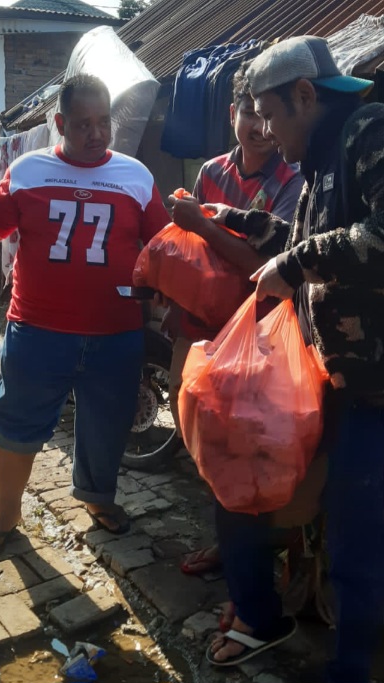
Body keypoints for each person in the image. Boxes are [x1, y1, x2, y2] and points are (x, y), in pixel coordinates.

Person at [0, 74, 170, 557]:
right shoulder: (29, 169)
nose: (96, 134)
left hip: (115, 333)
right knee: (15, 422)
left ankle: (98, 498)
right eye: (83, 124)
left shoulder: (136, 176)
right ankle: (6, 513)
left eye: (103, 123)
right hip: (37, 330)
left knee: (108, 425)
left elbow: (162, 244)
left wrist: (165, 282)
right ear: (59, 123)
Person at [200, 36, 384, 683]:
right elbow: (307, 241)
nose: (268, 132)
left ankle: (353, 669)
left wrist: (296, 261)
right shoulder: (319, 161)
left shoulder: (367, 131)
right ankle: (263, 614)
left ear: (306, 96)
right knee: (253, 487)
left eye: (271, 114)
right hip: (332, 381)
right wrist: (239, 220)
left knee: (359, 544)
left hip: (374, 392)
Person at [167, 64, 303, 575]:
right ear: (232, 115)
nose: (260, 128)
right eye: (249, 113)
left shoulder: (293, 179)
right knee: (196, 428)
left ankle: (250, 551)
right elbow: (189, 252)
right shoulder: (211, 173)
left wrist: (204, 225)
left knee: (249, 443)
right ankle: (233, 541)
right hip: (202, 326)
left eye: (266, 116)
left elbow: (266, 267)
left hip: (260, 335)